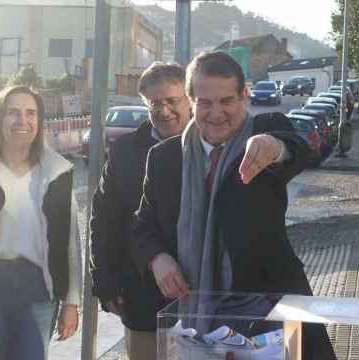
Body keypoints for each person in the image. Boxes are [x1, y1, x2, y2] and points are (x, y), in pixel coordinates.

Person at [130, 51, 336, 359]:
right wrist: (157, 258)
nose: (216, 114)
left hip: (270, 312)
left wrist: (274, 147)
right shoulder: (164, 158)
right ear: (190, 101)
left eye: (227, 101)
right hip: (194, 318)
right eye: (205, 102)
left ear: (244, 95)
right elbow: (142, 225)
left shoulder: (265, 128)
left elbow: (297, 149)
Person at [0, 86, 81, 360]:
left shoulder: (58, 171)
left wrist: (72, 302)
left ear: (39, 121)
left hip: (38, 289)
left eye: (31, 113)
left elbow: (70, 244)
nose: (22, 121)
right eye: (12, 113)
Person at [89, 62, 191, 360]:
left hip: (203, 296)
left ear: (189, 100)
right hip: (142, 295)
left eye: (172, 101)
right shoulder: (125, 151)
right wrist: (104, 282)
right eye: (155, 103)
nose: (163, 111)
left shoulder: (212, 144)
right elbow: (104, 219)